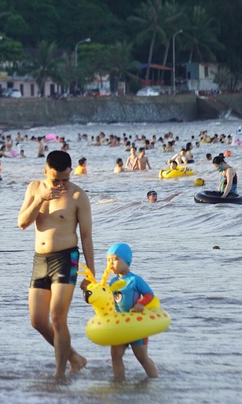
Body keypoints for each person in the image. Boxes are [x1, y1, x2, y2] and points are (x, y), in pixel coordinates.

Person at [17, 150, 94, 378]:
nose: (61, 184)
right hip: (40, 260)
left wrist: (90, 275)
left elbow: (87, 237)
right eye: (55, 180)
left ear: (71, 172)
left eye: (65, 179)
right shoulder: (33, 189)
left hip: (66, 258)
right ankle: (75, 358)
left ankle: (59, 375)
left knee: (58, 317)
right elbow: (22, 223)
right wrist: (41, 198)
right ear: (45, 172)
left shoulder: (78, 196)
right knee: (38, 321)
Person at [104, 243, 159, 379]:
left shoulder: (135, 280)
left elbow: (149, 294)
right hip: (121, 325)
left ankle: (154, 380)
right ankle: (119, 382)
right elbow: (110, 302)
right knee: (115, 355)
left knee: (141, 356)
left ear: (126, 260)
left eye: (115, 259)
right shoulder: (112, 283)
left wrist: (141, 303)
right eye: (108, 260)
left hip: (137, 325)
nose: (111, 263)